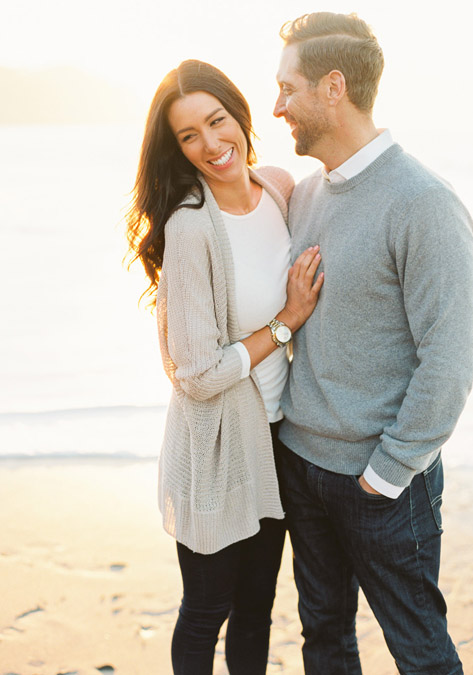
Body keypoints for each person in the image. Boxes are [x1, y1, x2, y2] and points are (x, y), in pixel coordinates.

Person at [272, 12, 473, 675]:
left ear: (334, 87)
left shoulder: (423, 203)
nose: (277, 107)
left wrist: (386, 473)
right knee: (323, 641)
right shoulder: (302, 196)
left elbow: (449, 356)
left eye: (287, 88)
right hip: (300, 465)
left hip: (381, 484)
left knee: (420, 653)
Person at [126, 60, 322, 674]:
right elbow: (199, 374)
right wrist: (286, 322)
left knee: (258, 607)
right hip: (213, 446)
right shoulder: (189, 225)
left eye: (216, 122)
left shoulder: (281, 188)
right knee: (207, 608)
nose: (211, 145)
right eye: (189, 136)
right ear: (177, 149)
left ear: (240, 115)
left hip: (275, 440)